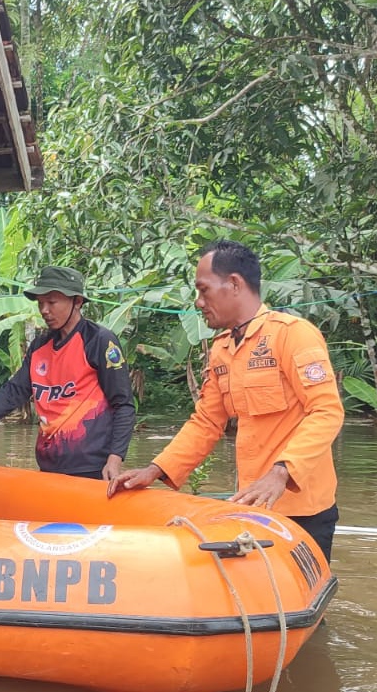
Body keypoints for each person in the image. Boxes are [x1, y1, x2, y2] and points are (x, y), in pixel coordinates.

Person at [111, 240, 343, 560]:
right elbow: (207, 422)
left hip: (302, 510)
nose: (198, 301)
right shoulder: (221, 348)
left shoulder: (292, 335)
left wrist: (281, 472)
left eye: (203, 290)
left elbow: (326, 411)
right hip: (252, 508)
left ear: (234, 284)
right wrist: (155, 470)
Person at [0, 265, 136, 494]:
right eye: (40, 303)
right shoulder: (40, 345)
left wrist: (115, 459)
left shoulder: (99, 341)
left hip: (91, 470)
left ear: (77, 301)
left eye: (52, 302)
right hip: (49, 468)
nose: (44, 310)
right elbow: (14, 392)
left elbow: (124, 405)